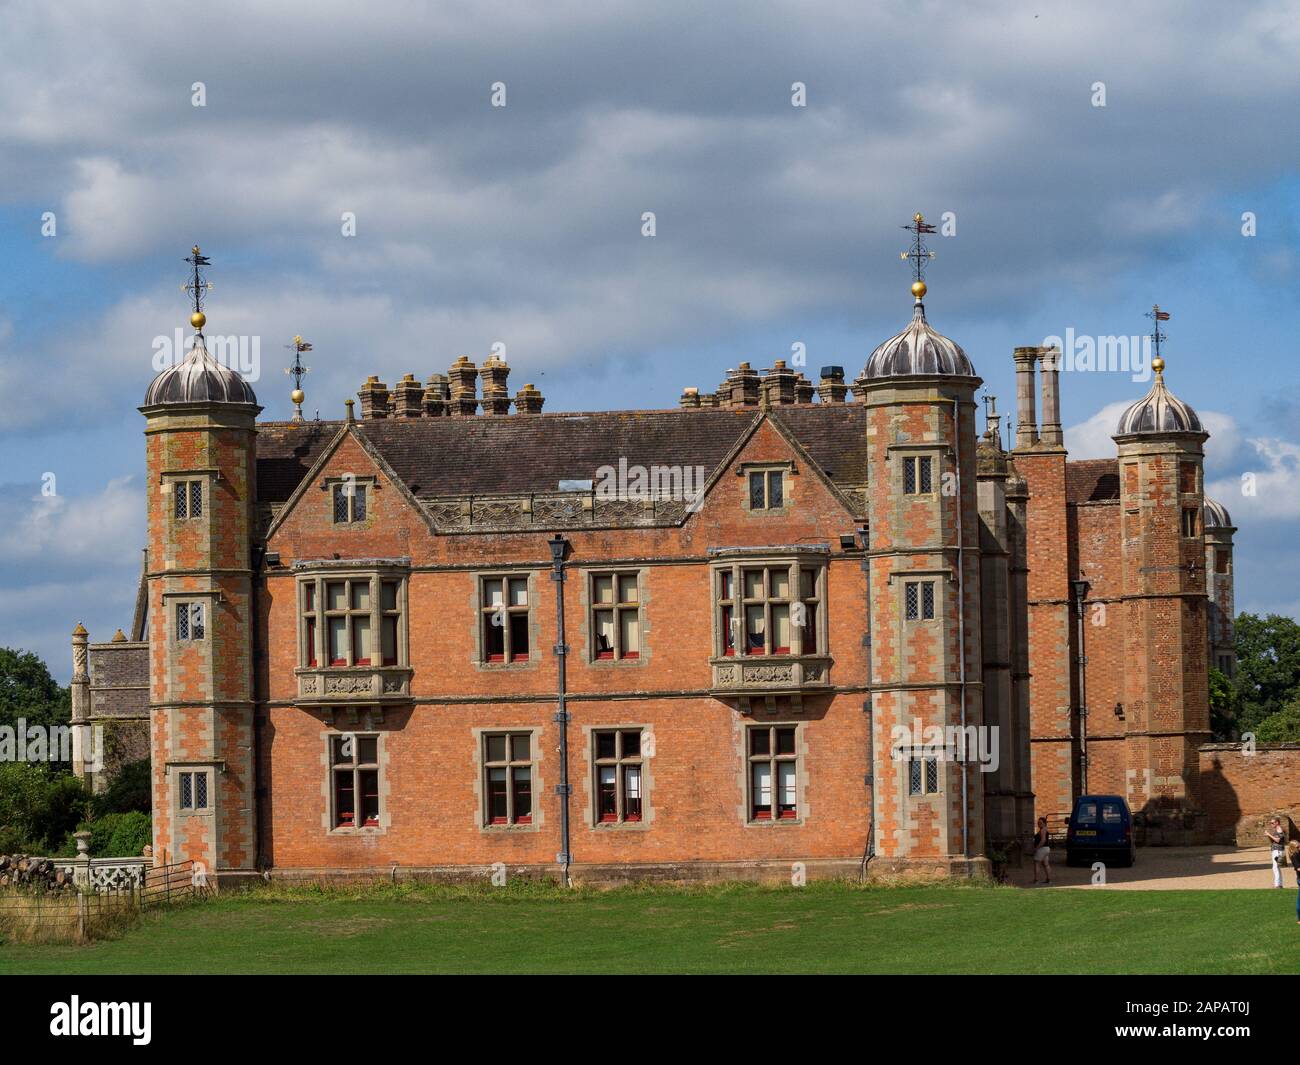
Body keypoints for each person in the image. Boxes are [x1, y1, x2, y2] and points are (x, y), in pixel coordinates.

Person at [1266, 817, 1287, 888]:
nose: (1271, 824)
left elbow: (1278, 840)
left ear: (1277, 822)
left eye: (1272, 823)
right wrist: (1269, 836)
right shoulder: (1277, 830)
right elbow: (1275, 841)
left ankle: (1277, 885)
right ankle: (1279, 884)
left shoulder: (1279, 829)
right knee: (1277, 867)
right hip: (1277, 850)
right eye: (1270, 823)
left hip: (1277, 850)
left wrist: (1269, 834)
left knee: (1275, 867)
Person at [1032, 816, 1052, 885]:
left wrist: (1036, 848)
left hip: (1042, 849)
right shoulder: (1044, 829)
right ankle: (1048, 879)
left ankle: (1036, 880)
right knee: (1046, 864)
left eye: (1040, 822)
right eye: (1038, 822)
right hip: (1046, 849)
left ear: (1044, 823)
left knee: (1036, 864)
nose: (1039, 824)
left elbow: (1043, 840)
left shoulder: (1043, 829)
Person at [1288, 841, 1300, 924]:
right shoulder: (1294, 856)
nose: (1299, 848)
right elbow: (1299, 868)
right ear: (1293, 848)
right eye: (1297, 847)